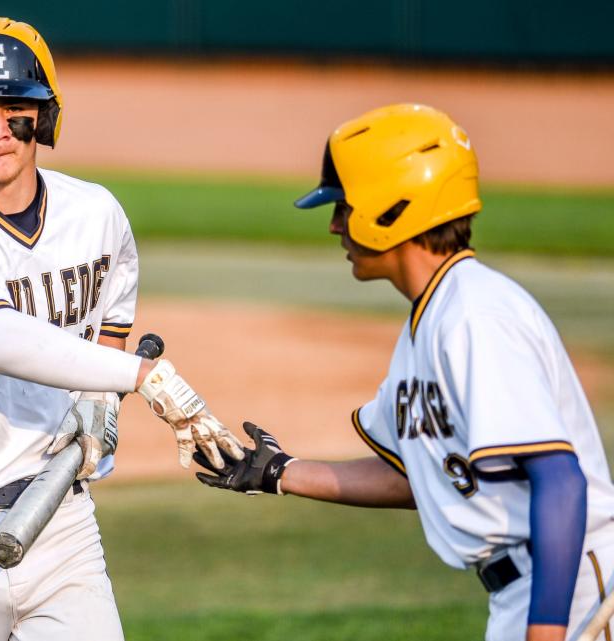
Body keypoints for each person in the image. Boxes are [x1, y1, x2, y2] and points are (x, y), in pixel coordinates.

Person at [0, 17, 244, 641]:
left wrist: (100, 399)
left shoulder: (94, 212)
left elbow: (111, 319)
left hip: (64, 526)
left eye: (15, 110)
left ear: (43, 118)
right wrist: (139, 378)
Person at [195, 104, 614, 641]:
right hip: (533, 590)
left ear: (390, 210)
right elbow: (416, 474)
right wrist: (281, 472)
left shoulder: (476, 316)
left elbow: (560, 478)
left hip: (571, 589)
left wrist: (546, 633)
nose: (333, 225)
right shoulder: (432, 320)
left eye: (344, 208)